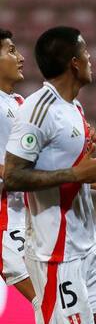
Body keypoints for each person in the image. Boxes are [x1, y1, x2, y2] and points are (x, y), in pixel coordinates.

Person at [0, 27, 96, 324]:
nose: (91, 58)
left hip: (84, 240)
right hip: (44, 242)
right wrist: (76, 172)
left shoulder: (67, 108)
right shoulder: (35, 109)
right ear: (73, 63)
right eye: (86, 52)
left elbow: (72, 171)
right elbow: (13, 175)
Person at [0, 28, 35, 303]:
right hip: (4, 216)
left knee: (48, 301)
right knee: (45, 300)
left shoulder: (20, 104)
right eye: (11, 51)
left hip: (24, 212)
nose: (21, 57)